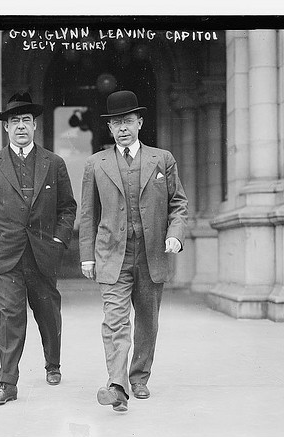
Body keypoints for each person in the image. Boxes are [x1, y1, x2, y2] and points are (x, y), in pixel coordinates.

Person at [79, 90, 188, 412]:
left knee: (147, 321)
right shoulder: (94, 164)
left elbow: (178, 203)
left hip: (152, 253)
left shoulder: (162, 159)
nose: (122, 128)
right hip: (112, 253)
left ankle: (139, 377)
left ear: (140, 123)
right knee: (114, 320)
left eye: (128, 121)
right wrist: (87, 254)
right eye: (116, 123)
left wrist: (175, 235)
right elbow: (88, 212)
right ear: (109, 129)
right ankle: (116, 384)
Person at [0, 91, 77, 404]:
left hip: (43, 253)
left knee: (47, 311)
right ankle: (7, 383)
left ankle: (53, 363)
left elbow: (67, 207)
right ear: (6, 128)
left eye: (26, 121)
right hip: (5, 253)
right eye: (15, 121)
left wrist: (59, 241)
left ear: (35, 126)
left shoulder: (54, 163)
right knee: (10, 315)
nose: (21, 126)